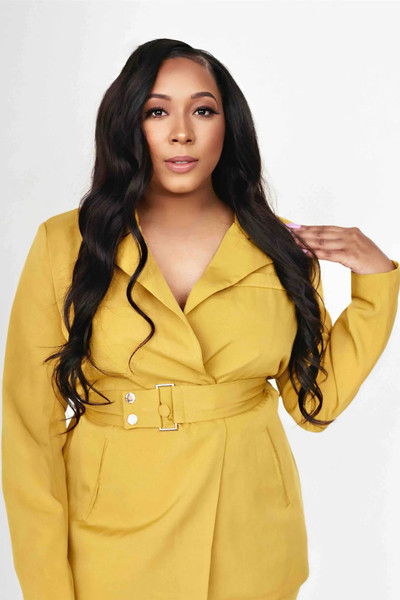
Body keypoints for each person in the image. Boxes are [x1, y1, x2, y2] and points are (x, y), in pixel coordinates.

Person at [2, 38, 399, 600]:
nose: (181, 133)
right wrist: (46, 587)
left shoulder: (279, 245)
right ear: (129, 124)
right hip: (111, 541)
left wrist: (375, 282)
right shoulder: (67, 241)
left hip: (252, 538)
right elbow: (28, 431)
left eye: (203, 110)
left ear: (228, 126)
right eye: (157, 111)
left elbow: (316, 403)